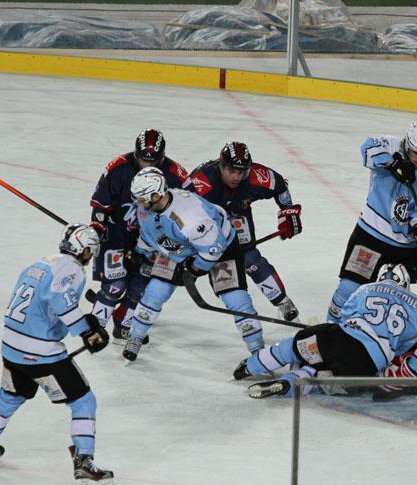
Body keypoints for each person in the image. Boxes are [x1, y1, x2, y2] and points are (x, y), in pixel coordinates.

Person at [0, 224, 113, 485]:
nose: (90, 256)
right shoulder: (71, 269)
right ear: (84, 250)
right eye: (90, 251)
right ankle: (84, 464)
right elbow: (60, 300)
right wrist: (87, 332)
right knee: (83, 400)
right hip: (40, 353)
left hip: (11, 345)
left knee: (11, 394)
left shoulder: (39, 264)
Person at [234, 264, 417, 399]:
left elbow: (343, 320)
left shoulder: (364, 289)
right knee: (320, 373)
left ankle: (250, 366)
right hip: (370, 363)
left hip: (342, 338)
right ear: (404, 284)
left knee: (293, 348)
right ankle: (289, 384)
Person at [122, 167, 264, 363]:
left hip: (221, 247)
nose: (138, 203)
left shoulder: (191, 218)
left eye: (141, 199)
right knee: (156, 291)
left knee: (236, 300)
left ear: (155, 195)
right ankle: (136, 336)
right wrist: (140, 252)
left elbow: (213, 249)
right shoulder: (146, 208)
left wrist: (194, 269)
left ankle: (258, 352)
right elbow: (151, 233)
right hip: (182, 247)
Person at [326, 123, 417, 323]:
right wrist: (393, 164)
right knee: (348, 288)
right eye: (415, 152)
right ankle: (330, 327)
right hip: (372, 235)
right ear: (407, 144)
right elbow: (367, 148)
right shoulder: (390, 144)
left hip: (407, 246)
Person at [89, 128, 191, 344]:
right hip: (117, 235)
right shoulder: (118, 168)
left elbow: (191, 206)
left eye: (154, 161)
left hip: (153, 240)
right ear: (136, 155)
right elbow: (101, 205)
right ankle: (95, 327)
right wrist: (96, 230)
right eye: (144, 160)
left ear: (162, 158)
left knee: (141, 288)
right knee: (115, 285)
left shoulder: (176, 174)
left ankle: (124, 324)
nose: (148, 165)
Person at [190, 141, 302, 321]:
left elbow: (280, 186)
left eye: (241, 172)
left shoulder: (256, 176)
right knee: (211, 260)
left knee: (250, 259)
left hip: (237, 214)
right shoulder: (203, 182)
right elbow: (180, 208)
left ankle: (282, 302)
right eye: (231, 171)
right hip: (206, 222)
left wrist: (288, 212)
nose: (236, 177)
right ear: (221, 166)